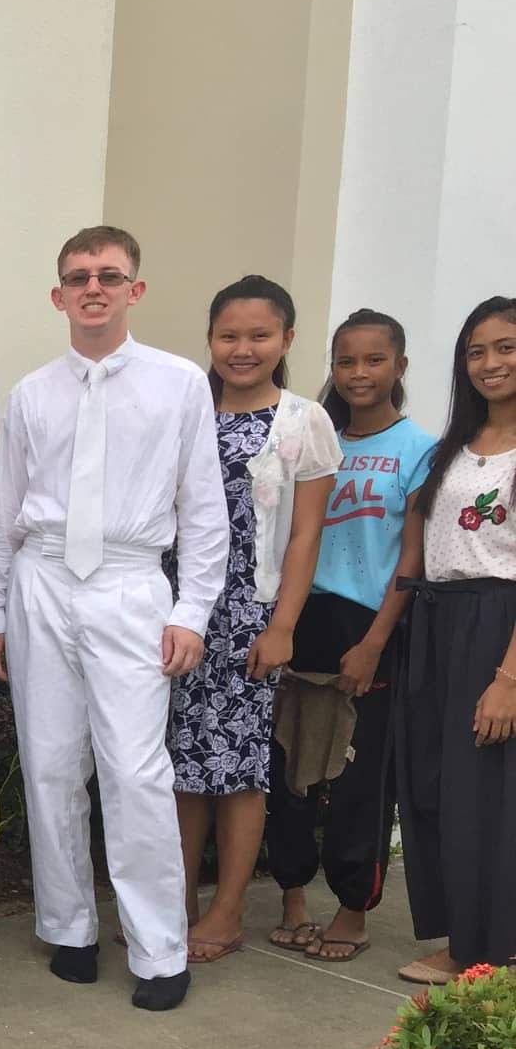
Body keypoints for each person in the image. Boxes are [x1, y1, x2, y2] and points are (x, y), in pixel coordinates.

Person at [0, 227, 229, 1013]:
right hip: (43, 579)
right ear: (58, 295)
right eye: (78, 278)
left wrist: (193, 610)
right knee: (51, 764)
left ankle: (159, 947)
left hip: (128, 582)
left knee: (136, 770)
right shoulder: (32, 394)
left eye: (109, 276)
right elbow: (6, 513)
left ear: (134, 290)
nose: (93, 288)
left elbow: (204, 508)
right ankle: (70, 927)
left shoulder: (180, 384)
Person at [170, 277, 339, 963]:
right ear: (210, 340)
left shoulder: (302, 423)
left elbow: (304, 536)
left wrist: (282, 625)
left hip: (248, 614)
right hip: (176, 608)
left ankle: (229, 909)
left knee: (238, 769)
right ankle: (172, 899)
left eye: (258, 336)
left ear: (287, 340)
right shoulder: (188, 410)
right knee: (179, 762)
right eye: (228, 336)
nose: (242, 349)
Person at [266, 310, 432, 961]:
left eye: (373, 360)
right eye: (346, 361)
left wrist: (373, 643)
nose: (358, 373)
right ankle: (292, 896)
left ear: (400, 367)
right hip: (300, 619)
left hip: (368, 628)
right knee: (290, 769)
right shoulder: (314, 438)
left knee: (359, 780)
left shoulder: (420, 449)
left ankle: (352, 909)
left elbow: (409, 559)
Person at [392, 296, 516, 983]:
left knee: (488, 793)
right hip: (437, 622)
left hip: (498, 628)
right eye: (476, 351)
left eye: (505, 347)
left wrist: (507, 678)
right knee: (437, 787)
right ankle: (461, 935)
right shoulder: (453, 451)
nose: (489, 364)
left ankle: (487, 949)